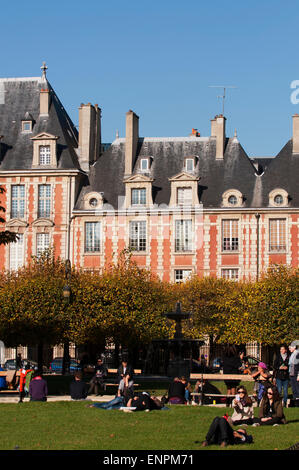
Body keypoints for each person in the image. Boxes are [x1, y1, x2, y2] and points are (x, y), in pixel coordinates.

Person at [288, 341, 299, 407]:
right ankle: (295, 401)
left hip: (295, 373)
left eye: (290, 348)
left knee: (297, 388)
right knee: (294, 388)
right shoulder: (292, 354)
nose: (289, 349)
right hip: (292, 373)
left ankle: (297, 402)